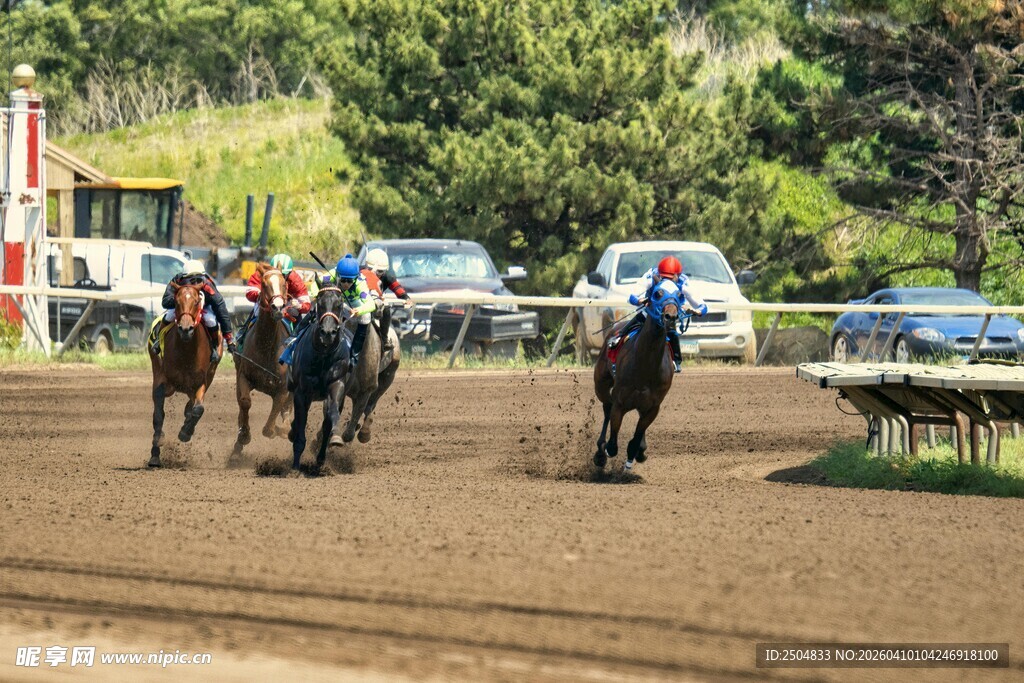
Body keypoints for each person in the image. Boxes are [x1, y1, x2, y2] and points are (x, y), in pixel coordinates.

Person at [606, 256, 707, 372]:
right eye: (663, 277)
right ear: (659, 273)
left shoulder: (683, 282)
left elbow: (702, 305)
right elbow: (631, 296)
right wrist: (639, 301)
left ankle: (676, 361)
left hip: (670, 315)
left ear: (677, 276)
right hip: (650, 312)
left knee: (672, 333)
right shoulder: (651, 275)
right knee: (632, 325)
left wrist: (698, 311)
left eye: (670, 278)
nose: (665, 280)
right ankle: (616, 349)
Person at [278, 254, 376, 366]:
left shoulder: (360, 282)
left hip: (354, 303)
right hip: (335, 301)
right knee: (317, 305)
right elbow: (315, 285)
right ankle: (294, 337)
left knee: (366, 317)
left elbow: (371, 304)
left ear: (355, 278)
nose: (346, 284)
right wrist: (319, 294)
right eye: (343, 280)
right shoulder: (332, 274)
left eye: (349, 281)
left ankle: (355, 354)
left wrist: (358, 310)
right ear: (338, 275)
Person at [148, 259, 235, 362]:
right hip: (181, 307)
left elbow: (220, 307)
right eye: (190, 279)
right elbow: (165, 301)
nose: (194, 283)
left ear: (203, 276)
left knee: (210, 320)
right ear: (183, 277)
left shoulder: (207, 284)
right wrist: (180, 300)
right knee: (169, 316)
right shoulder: (177, 281)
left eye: (198, 279)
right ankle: (158, 341)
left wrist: (228, 337)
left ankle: (213, 347)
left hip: (203, 308)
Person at [236, 253, 311, 348]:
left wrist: (299, 306)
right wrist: (261, 295)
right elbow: (250, 293)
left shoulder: (294, 279)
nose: (280, 277)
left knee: (295, 312)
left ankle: (299, 343)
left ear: (289, 273)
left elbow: (307, 304)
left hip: (287, 305)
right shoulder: (262, 273)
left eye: (283, 275)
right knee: (257, 310)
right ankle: (242, 336)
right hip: (267, 303)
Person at [361, 248, 413, 351]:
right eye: (370, 269)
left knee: (386, 309)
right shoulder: (358, 272)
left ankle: (384, 338)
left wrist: (406, 298)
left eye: (379, 271)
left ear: (385, 271)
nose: (374, 274)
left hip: (376, 303)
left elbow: (397, 288)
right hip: (359, 302)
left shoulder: (387, 277)